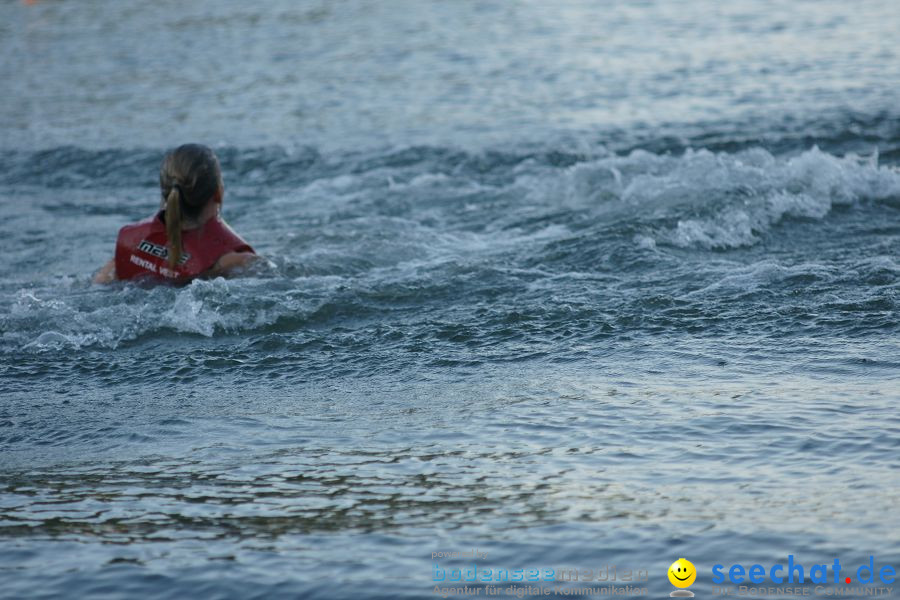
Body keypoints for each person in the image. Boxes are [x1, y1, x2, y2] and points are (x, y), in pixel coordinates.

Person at [93, 144, 256, 284]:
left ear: (165, 192)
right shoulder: (233, 261)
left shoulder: (130, 243)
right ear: (218, 193)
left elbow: (98, 285)